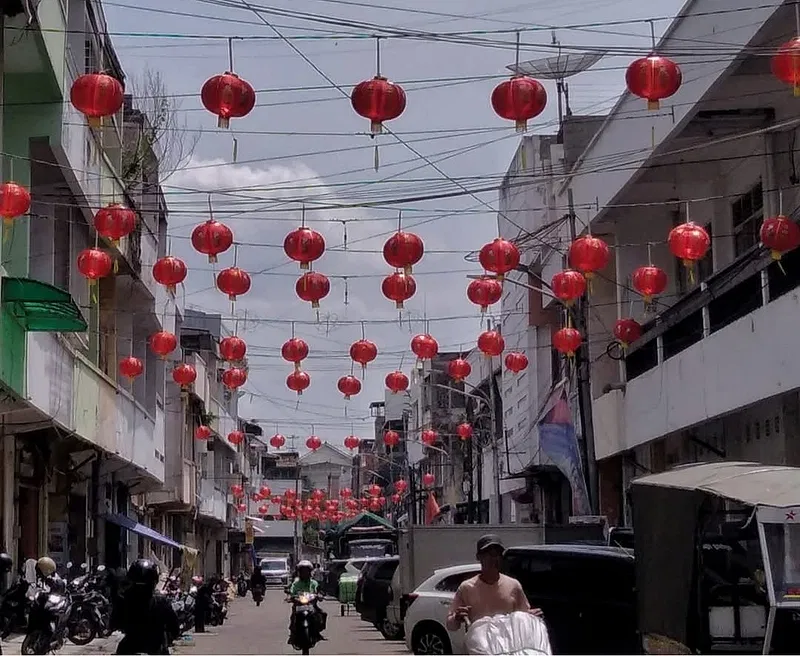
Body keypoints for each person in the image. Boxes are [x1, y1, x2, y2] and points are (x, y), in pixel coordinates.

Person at [447, 535, 542, 632]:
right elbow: (451, 626)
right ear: (478, 557)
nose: (494, 559)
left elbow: (524, 617)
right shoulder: (466, 588)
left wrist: (531, 616)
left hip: (507, 644)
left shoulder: (514, 585)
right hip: (479, 644)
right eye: (490, 554)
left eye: (498, 554)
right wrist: (457, 618)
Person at [115, 559, 180, 655]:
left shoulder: (124, 599)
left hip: (130, 646)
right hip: (155, 647)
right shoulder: (161, 600)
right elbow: (174, 627)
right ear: (155, 580)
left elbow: (114, 623)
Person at [287, 560, 326, 644]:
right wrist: (290, 597)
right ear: (299, 572)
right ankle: (292, 635)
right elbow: (291, 592)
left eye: (306, 571)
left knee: (322, 614)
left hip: (311, 604)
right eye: (302, 571)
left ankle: (317, 632)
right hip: (298, 605)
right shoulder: (296, 583)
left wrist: (319, 595)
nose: (304, 573)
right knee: (293, 617)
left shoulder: (314, 583)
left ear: (310, 572)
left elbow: (318, 591)